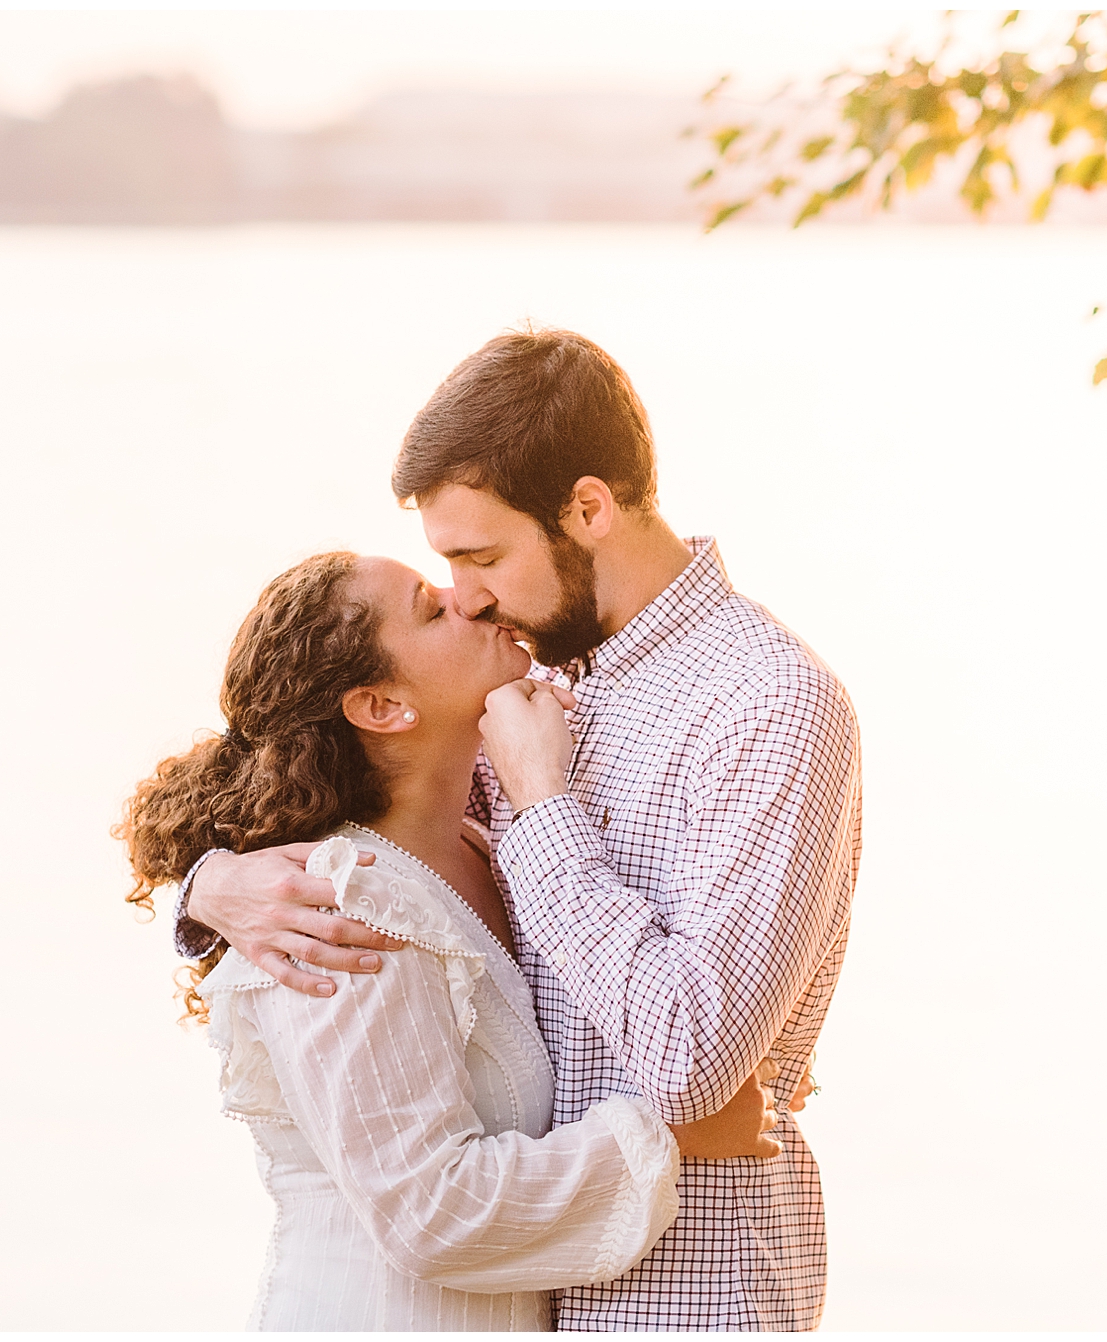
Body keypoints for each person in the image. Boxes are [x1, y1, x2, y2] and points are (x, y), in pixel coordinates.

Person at [181, 329, 863, 1331]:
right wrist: (211, 886)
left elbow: (688, 1062)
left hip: (688, 1300)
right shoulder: (519, 677)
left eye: (479, 555)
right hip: (514, 1301)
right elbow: (314, 795)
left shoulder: (767, 706)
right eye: (443, 568)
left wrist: (544, 809)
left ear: (587, 507)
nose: (464, 594)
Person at [119, 550, 785, 1331]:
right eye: (431, 609)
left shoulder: (481, 836)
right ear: (381, 706)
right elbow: (430, 1209)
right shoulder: (342, 905)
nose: (468, 598)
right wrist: (670, 1134)